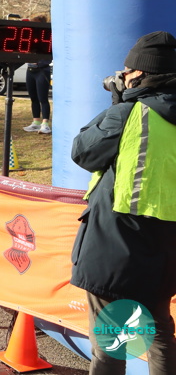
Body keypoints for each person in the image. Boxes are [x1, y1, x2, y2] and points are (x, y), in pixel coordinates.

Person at [71, 30, 176, 373]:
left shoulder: (130, 113)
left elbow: (83, 152)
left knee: (111, 341)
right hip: (167, 247)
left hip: (117, 243)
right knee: (158, 332)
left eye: (127, 70)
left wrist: (119, 103)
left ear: (140, 73)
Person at [22, 14, 52, 134]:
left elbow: (49, 53)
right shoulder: (30, 36)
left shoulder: (47, 36)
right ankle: (36, 122)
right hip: (31, 70)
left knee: (42, 98)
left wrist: (40, 62)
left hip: (42, 70)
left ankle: (45, 124)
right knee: (33, 97)